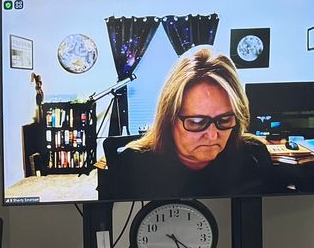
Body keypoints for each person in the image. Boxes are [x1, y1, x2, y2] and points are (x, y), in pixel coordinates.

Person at [103, 47, 274, 198]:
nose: (213, 135)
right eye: (198, 122)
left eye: (224, 120)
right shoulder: (132, 166)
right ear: (169, 117)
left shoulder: (253, 156)